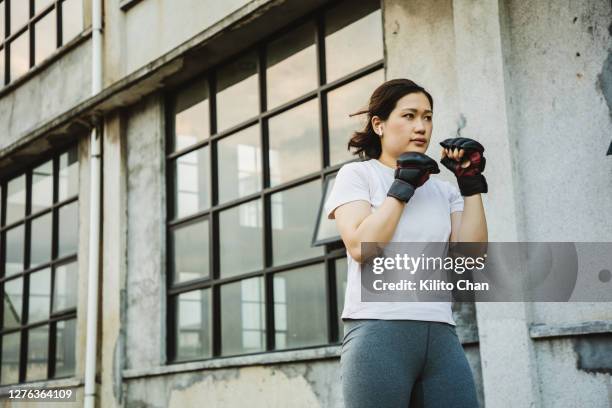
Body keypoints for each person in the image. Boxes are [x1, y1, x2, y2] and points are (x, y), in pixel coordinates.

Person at [324, 79, 488, 407]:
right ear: (379, 124)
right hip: (378, 332)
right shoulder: (358, 175)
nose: (421, 126)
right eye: (410, 116)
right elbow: (361, 247)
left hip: (441, 333)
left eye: (427, 117)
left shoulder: (444, 190)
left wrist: (470, 187)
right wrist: (401, 188)